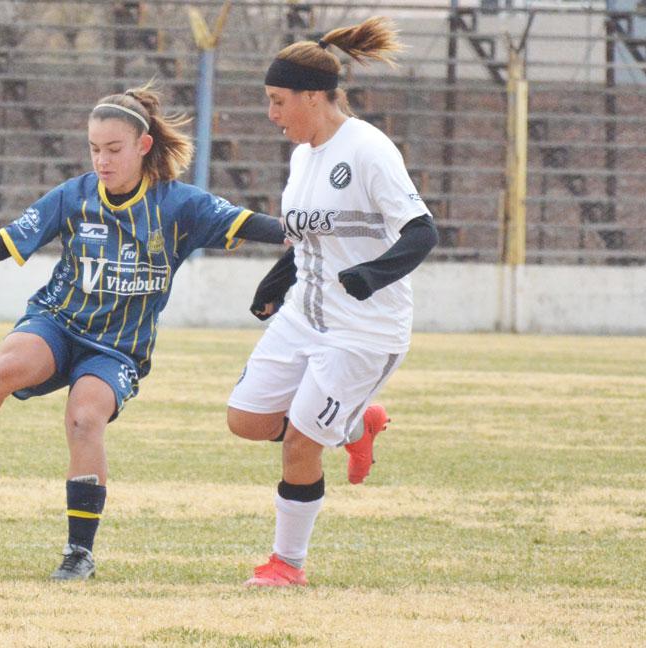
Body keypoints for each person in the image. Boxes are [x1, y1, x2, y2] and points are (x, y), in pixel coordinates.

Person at [0, 84, 285, 580]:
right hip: (58, 321)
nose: (101, 161)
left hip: (118, 349)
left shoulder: (179, 205)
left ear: (143, 146)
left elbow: (253, 223)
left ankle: (79, 553)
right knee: (9, 364)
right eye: (94, 149)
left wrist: (304, 228)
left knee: (85, 419)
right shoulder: (76, 195)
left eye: (113, 150)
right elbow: (20, 231)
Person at [226, 16, 438, 587]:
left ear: (313, 98)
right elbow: (308, 236)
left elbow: (422, 232)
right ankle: (351, 425)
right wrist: (276, 282)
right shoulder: (302, 155)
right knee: (245, 421)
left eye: (278, 102)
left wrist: (372, 274)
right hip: (306, 316)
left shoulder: (369, 150)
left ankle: (286, 565)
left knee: (299, 442)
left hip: (362, 331)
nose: (272, 115)